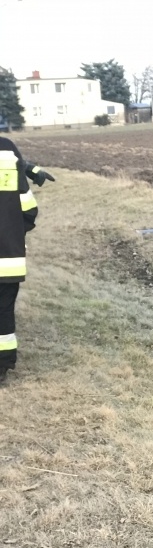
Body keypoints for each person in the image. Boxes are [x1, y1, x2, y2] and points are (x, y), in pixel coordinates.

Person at [0, 136, 38, 382]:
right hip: (7, 256)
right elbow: (28, 209)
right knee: (4, 311)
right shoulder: (7, 151)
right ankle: (2, 367)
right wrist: (14, 231)